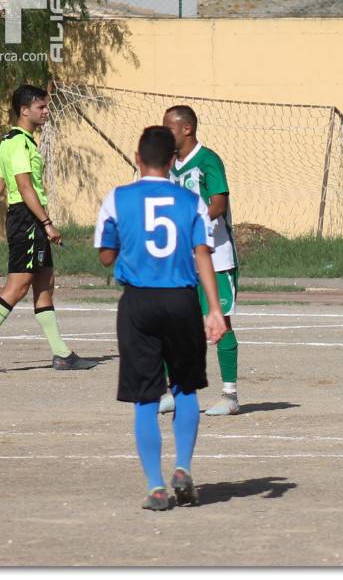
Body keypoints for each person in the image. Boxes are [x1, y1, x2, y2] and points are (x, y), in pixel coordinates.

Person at [94, 126, 226, 511]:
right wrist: (213, 310)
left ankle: (155, 485)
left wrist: (121, 243)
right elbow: (203, 253)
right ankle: (182, 467)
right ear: (172, 161)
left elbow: (105, 254)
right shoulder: (190, 201)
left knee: (145, 396)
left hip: (138, 303)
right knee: (186, 387)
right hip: (182, 301)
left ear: (137, 158)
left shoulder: (118, 198)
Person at [0, 84, 97, 373]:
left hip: (26, 217)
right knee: (18, 286)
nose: (46, 111)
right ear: (25, 110)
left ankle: (62, 354)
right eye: (41, 107)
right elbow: (24, 187)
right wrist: (47, 223)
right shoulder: (20, 143)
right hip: (28, 219)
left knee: (45, 284)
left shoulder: (9, 141)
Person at [161, 105, 241, 416]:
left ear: (186, 129)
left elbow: (219, 203)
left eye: (168, 127)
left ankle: (230, 396)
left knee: (220, 323)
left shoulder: (208, 161)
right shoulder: (169, 166)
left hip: (216, 257)